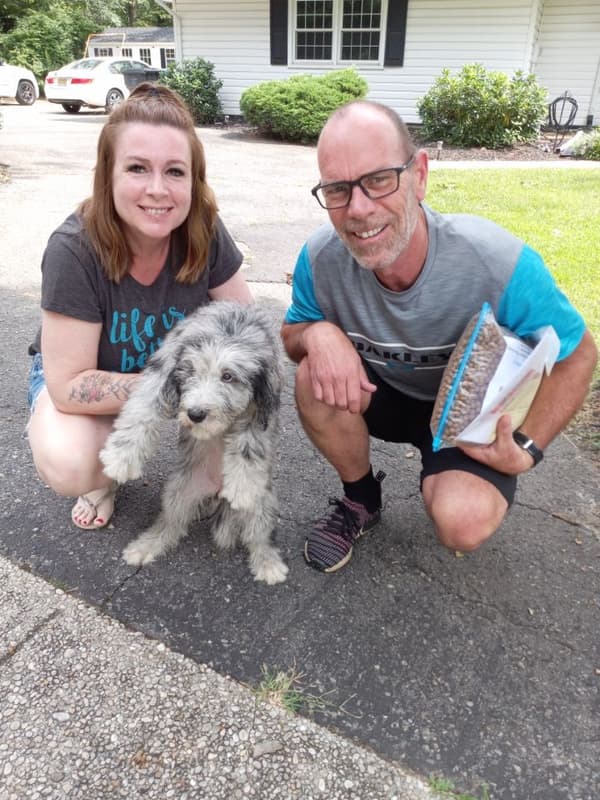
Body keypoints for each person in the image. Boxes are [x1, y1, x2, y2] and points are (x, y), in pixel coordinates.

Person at [281, 100, 598, 574]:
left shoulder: (498, 262)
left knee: (463, 525)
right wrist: (318, 334)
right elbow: (292, 333)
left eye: (379, 179)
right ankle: (361, 499)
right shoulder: (319, 258)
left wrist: (529, 448)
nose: (360, 208)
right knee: (313, 376)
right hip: (382, 397)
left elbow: (578, 355)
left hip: (468, 420)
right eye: (338, 189)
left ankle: (447, 476)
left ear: (420, 175)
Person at [27, 83, 252, 530]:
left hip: (173, 376)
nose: (157, 190)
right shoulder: (74, 249)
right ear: (107, 175)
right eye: (137, 168)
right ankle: (104, 479)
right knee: (73, 462)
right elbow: (69, 385)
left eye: (174, 171)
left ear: (194, 179)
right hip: (88, 381)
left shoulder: (203, 229)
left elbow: (247, 331)